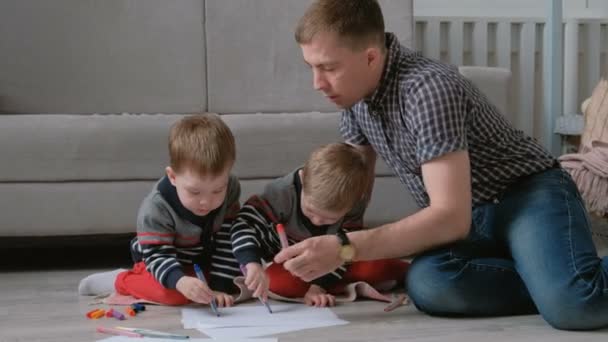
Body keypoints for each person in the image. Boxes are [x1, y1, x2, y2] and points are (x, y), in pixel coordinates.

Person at [274, 0, 608, 330]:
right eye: (312, 67)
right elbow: (351, 191)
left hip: (527, 196)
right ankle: (547, 278)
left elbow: (450, 218)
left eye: (329, 68)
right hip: (474, 217)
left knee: (575, 306)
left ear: (371, 57)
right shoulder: (354, 96)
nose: (317, 83)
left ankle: (560, 285)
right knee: (428, 284)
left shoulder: (428, 90)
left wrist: (345, 249)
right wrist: (322, 251)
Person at [79, 114, 242, 307]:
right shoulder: (155, 209)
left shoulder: (230, 188)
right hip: (158, 258)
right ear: (172, 176)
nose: (206, 202)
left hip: (199, 260)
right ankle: (122, 279)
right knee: (174, 296)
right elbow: (158, 256)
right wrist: (180, 281)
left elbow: (226, 241)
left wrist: (221, 286)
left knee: (237, 281)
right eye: (194, 191)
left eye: (217, 190)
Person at [231, 143, 408, 307]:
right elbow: (243, 226)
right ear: (303, 180)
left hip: (334, 263)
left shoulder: (354, 204)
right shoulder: (280, 194)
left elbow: (346, 250)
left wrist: (320, 284)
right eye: (310, 211)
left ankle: (408, 272)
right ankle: (338, 286)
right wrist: (251, 263)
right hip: (288, 264)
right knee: (277, 280)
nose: (317, 221)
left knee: (374, 266)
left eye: (329, 219)